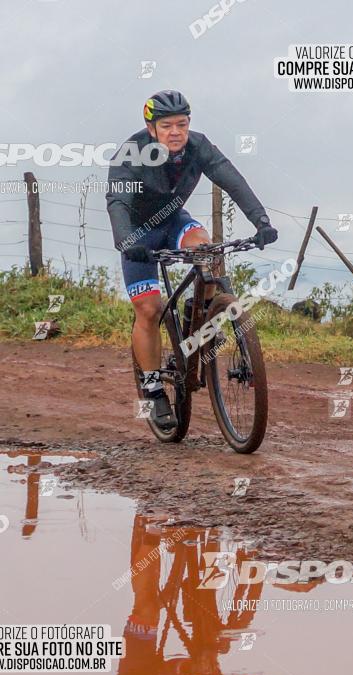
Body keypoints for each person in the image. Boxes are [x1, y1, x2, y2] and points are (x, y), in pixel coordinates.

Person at [106, 89, 278, 430]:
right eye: (167, 125)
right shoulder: (132, 154)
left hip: (173, 221)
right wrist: (126, 241)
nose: (175, 132)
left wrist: (261, 221)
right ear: (151, 128)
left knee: (206, 248)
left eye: (182, 124)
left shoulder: (199, 147)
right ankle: (153, 387)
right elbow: (118, 201)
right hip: (139, 234)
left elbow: (233, 181)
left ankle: (200, 309)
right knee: (150, 310)